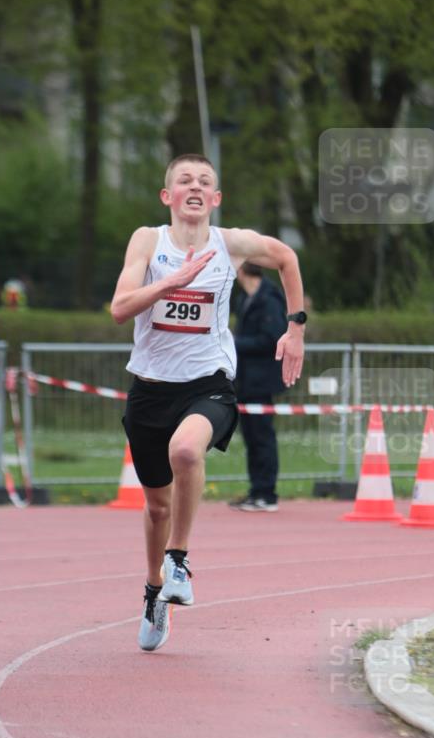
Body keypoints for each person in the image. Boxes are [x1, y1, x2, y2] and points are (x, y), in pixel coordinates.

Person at [110, 153, 305, 651]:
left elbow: (286, 257)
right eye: (184, 180)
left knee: (187, 452)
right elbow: (119, 309)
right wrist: (167, 284)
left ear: (215, 199)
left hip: (209, 383)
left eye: (205, 182)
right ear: (167, 196)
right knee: (156, 508)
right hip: (150, 388)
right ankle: (154, 591)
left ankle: (179, 560)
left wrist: (296, 328)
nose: (194, 187)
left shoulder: (230, 244)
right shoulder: (148, 241)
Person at [229, 262, 288, 512]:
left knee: (262, 436)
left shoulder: (269, 299)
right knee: (251, 436)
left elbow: (270, 338)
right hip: (245, 379)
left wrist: (235, 343)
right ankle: (256, 490)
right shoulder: (246, 298)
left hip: (261, 379)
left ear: (242, 270)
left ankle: (267, 493)